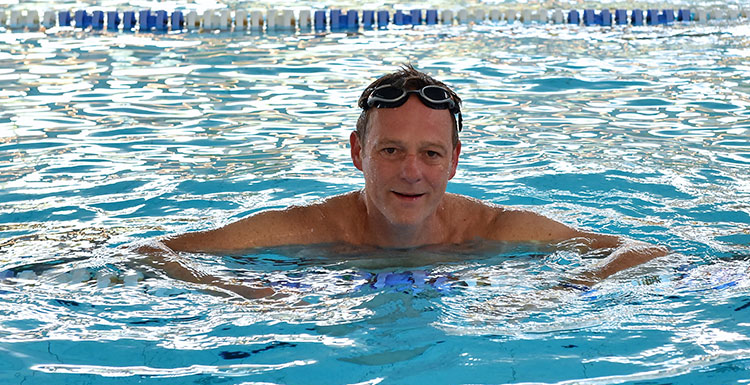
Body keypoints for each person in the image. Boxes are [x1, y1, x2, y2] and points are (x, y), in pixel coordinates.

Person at [141, 65, 668, 297]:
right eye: (390, 150)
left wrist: (565, 289)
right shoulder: (308, 228)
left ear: (455, 161)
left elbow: (642, 252)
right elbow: (156, 253)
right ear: (357, 153)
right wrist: (238, 292)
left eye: (430, 154)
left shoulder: (488, 228)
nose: (411, 172)